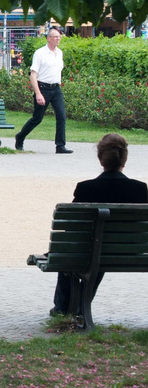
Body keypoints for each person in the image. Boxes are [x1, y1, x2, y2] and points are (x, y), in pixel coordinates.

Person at [53, 133, 147, 319]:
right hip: (128, 251)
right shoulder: (139, 189)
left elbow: (73, 230)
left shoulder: (86, 188)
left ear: (100, 159)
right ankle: (79, 307)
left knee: (82, 252)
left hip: (90, 251)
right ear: (124, 159)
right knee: (99, 251)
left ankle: (64, 309)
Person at [17, 27, 71, 153]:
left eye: (59, 37)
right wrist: (38, 93)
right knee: (37, 118)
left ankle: (60, 145)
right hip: (43, 88)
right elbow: (33, 75)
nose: (58, 39)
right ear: (48, 38)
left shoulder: (60, 53)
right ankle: (20, 136)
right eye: (55, 37)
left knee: (62, 116)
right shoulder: (40, 53)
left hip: (56, 88)